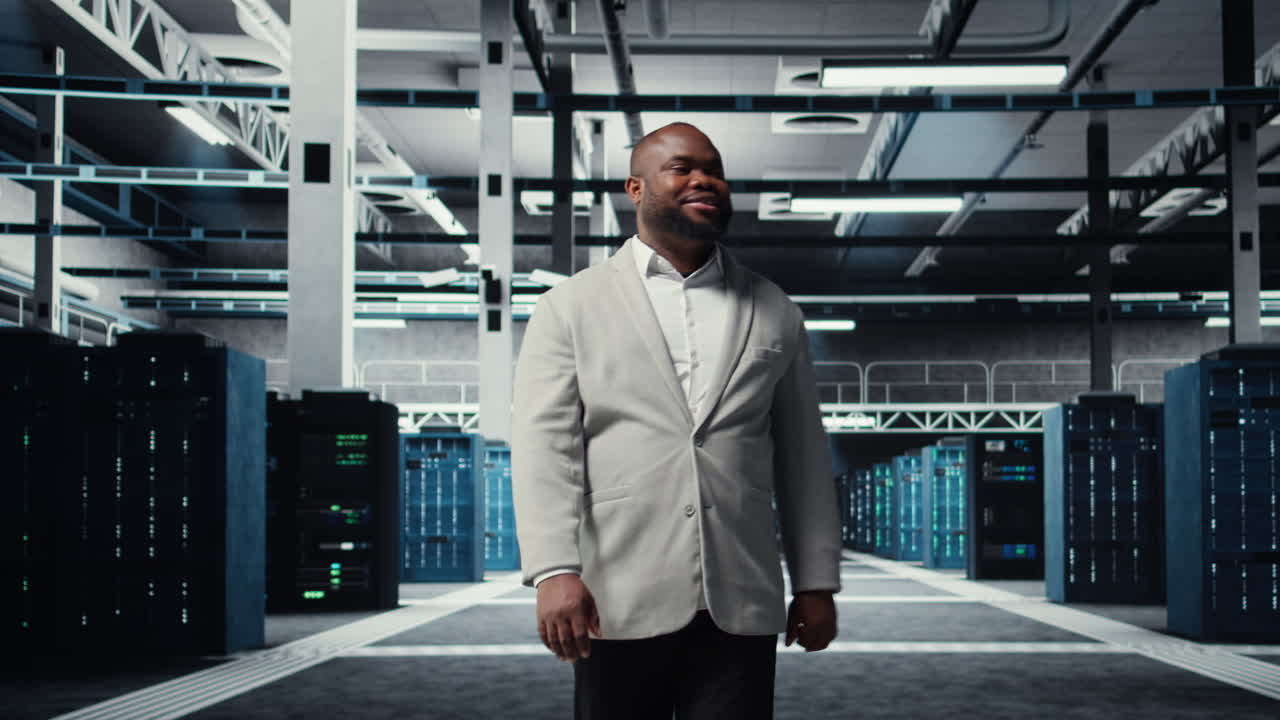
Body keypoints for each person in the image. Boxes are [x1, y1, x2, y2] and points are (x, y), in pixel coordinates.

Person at [512, 121, 841, 720]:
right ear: (635, 188)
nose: (704, 180)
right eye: (682, 167)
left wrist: (816, 581)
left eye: (714, 169)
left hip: (739, 592)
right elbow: (544, 448)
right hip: (615, 593)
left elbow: (803, 458)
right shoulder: (570, 306)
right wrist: (553, 571)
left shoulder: (775, 309)